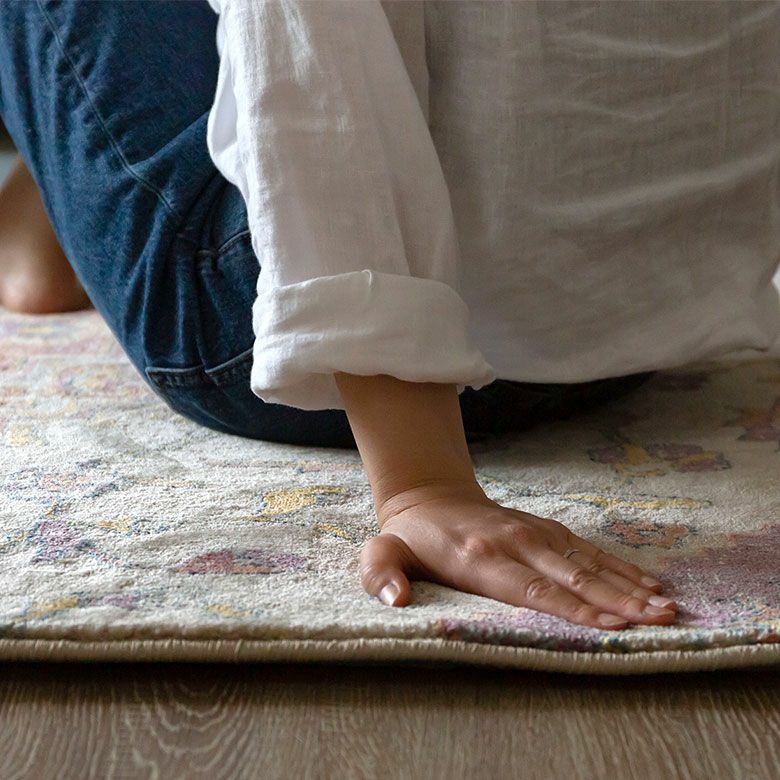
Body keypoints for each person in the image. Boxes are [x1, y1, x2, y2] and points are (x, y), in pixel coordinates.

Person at [2, 1, 778, 631]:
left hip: (271, 345)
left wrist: (422, 486)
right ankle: (70, 189)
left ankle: (76, 187)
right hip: (625, 334)